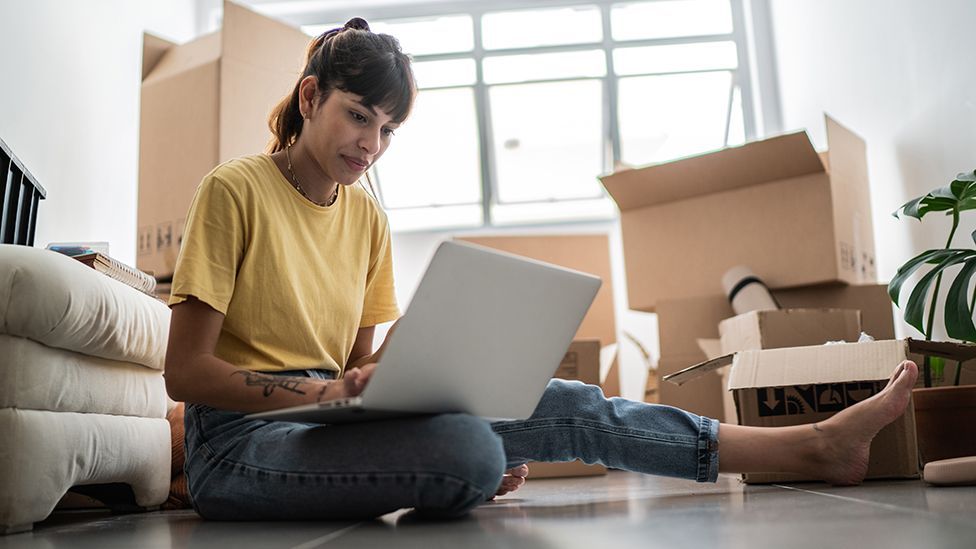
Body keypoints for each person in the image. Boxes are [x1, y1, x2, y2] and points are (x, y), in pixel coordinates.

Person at [163, 18, 919, 522]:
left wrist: (406, 374)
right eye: (359, 115)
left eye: (388, 129)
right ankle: (453, 466)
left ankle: (813, 445)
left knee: (572, 403)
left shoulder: (368, 220)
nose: (371, 144)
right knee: (468, 451)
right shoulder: (234, 191)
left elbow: (360, 370)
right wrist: (330, 390)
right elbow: (185, 372)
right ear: (310, 97)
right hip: (236, 444)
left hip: (326, 424)